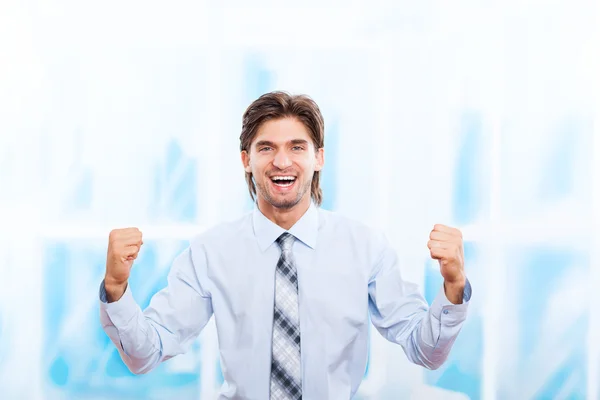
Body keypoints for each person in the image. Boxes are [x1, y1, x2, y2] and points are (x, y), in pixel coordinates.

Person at [99, 91, 472, 399]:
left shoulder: (365, 246)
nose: (282, 161)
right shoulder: (211, 252)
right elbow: (145, 354)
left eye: (297, 147)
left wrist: (453, 288)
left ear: (318, 158)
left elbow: (425, 350)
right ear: (246, 160)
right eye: (266, 148)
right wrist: (116, 289)